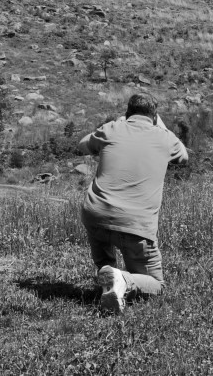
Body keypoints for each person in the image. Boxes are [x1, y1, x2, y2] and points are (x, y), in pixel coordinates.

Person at [77, 94, 188, 313]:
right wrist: (160, 125)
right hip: (134, 225)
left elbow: (82, 145)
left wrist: (121, 122)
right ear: (154, 116)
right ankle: (123, 281)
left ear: (128, 112)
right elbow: (183, 157)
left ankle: (110, 283)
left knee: (105, 262)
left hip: (95, 214)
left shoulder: (112, 128)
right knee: (156, 285)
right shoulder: (165, 137)